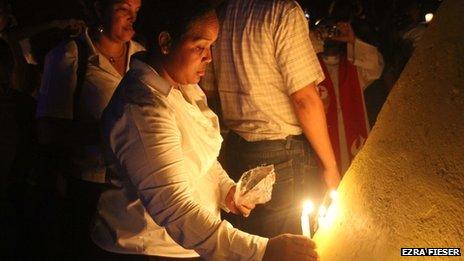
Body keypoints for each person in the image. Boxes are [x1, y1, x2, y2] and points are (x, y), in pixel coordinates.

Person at [91, 1, 318, 260]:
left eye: (211, 46)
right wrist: (262, 250)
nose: (209, 57)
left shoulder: (182, 88)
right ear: (166, 42)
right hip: (147, 248)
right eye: (200, 47)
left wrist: (225, 189)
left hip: (186, 245)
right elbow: (175, 209)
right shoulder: (143, 109)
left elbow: (198, 157)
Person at [201, 0, 341, 238]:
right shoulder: (282, 11)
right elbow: (304, 99)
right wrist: (331, 168)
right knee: (290, 245)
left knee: (252, 246)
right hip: (283, 157)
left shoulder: (222, 14)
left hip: (235, 151)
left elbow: (211, 91)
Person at [35, 0, 144, 257]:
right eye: (123, 9)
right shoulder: (69, 56)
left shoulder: (141, 56)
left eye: (136, 12)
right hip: (89, 188)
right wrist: (113, 132)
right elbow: (48, 130)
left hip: (133, 188)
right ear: (99, 9)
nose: (132, 18)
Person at [314, 21, 384, 174]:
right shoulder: (311, 69)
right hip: (324, 142)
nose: (331, 38)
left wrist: (353, 41)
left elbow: (376, 67)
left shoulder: (354, 66)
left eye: (334, 33)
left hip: (353, 138)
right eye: (325, 33)